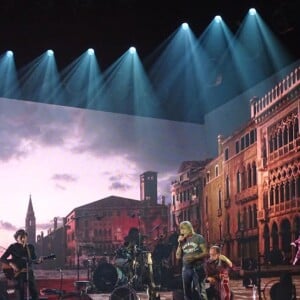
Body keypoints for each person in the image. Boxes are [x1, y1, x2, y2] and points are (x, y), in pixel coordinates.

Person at [0, 229, 43, 300]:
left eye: (24, 237)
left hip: (29, 272)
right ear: (16, 239)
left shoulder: (30, 247)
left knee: (35, 293)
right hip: (18, 274)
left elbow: (34, 260)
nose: (23, 239)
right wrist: (11, 264)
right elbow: (2, 258)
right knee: (20, 294)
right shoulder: (12, 247)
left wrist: (39, 261)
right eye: (21, 237)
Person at [176, 221, 208, 300]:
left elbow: (205, 252)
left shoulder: (198, 237)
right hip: (186, 269)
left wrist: (195, 257)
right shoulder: (183, 241)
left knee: (200, 291)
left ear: (190, 229)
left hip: (197, 267)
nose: (182, 232)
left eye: (184, 229)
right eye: (181, 230)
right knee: (187, 293)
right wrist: (179, 244)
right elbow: (178, 256)